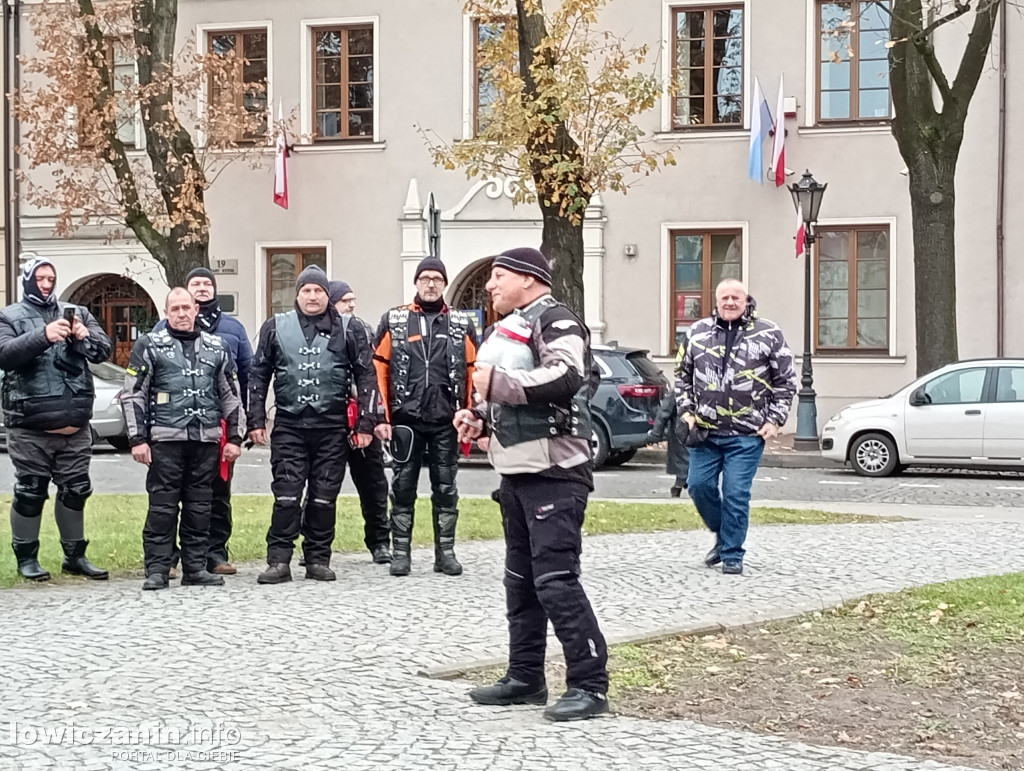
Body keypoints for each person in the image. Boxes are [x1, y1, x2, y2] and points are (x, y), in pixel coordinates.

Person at [456, 247, 609, 723]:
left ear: (529, 279)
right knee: (520, 583)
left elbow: (566, 375)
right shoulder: (508, 324)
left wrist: (494, 385)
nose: (490, 284)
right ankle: (526, 677)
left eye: (499, 276)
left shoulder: (557, 319)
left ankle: (589, 686)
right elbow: (506, 395)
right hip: (516, 471)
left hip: (555, 473)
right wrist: (478, 418)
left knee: (556, 581)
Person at [249, 265, 376, 584]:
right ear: (298, 294)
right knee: (287, 496)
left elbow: (367, 376)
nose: (312, 296)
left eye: (318, 290)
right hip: (290, 425)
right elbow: (259, 374)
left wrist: (366, 423)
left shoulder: (350, 328)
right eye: (306, 290)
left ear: (327, 295)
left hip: (332, 427)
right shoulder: (275, 326)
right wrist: (255, 419)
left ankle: (318, 558)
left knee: (323, 496)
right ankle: (278, 560)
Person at [122, 288, 246, 590]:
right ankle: (157, 569)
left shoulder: (217, 347)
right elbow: (132, 394)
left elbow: (231, 395)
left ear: (196, 310)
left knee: (200, 507)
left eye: (186, 308)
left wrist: (236, 437)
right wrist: (137, 439)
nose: (181, 313)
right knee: (162, 508)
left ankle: (195, 568)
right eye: (174, 308)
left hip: (205, 440)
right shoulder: (148, 345)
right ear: (166, 313)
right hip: (165, 440)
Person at [0, 256, 113, 581]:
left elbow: (104, 350)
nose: (47, 283)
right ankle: (26, 557)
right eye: (41, 278)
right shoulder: (9, 315)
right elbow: (5, 355)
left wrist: (82, 335)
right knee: (31, 490)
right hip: (30, 422)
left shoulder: (79, 313)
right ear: (28, 279)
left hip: (75, 422)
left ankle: (74, 556)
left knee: (77, 489)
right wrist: (43, 335)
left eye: (51, 278)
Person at [676, 278, 797, 575]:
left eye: (736, 298)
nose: (730, 302)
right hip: (705, 432)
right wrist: (687, 411)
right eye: (725, 297)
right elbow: (682, 375)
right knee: (698, 486)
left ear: (746, 301)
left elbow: (786, 381)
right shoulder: (697, 333)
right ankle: (723, 533)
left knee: (735, 493)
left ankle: (732, 554)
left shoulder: (768, 333)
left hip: (747, 434)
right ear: (716, 301)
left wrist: (775, 419)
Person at [372, 257, 477, 578]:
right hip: (406, 419)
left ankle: (445, 553)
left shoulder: (462, 323)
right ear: (416, 283)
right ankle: (400, 553)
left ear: (444, 284)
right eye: (425, 278)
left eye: (436, 279)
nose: (430, 284)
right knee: (402, 486)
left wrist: (471, 413)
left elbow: (475, 372)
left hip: (447, 419)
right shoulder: (395, 320)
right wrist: (382, 416)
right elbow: (378, 370)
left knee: (446, 488)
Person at [154, 267, 253, 576]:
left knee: (216, 494)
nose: (201, 288)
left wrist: (240, 425)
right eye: (195, 283)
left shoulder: (233, 329)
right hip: (172, 427)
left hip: (218, 426)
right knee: (170, 495)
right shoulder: (160, 330)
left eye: (207, 283)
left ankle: (214, 553)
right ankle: (168, 557)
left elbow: (245, 375)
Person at [330, 280, 391, 564]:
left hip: (363, 420)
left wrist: (375, 418)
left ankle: (380, 542)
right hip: (331, 421)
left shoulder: (364, 330)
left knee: (374, 485)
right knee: (324, 486)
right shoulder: (319, 335)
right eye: (345, 301)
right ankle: (316, 546)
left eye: (353, 300)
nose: (351, 305)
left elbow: (374, 378)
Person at [647, 341, 690, 497]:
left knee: (684, 461)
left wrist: (655, 434)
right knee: (690, 461)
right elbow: (665, 411)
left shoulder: (678, 388)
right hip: (692, 431)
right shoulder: (704, 386)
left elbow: (664, 411)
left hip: (681, 431)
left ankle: (679, 486)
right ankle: (681, 485)